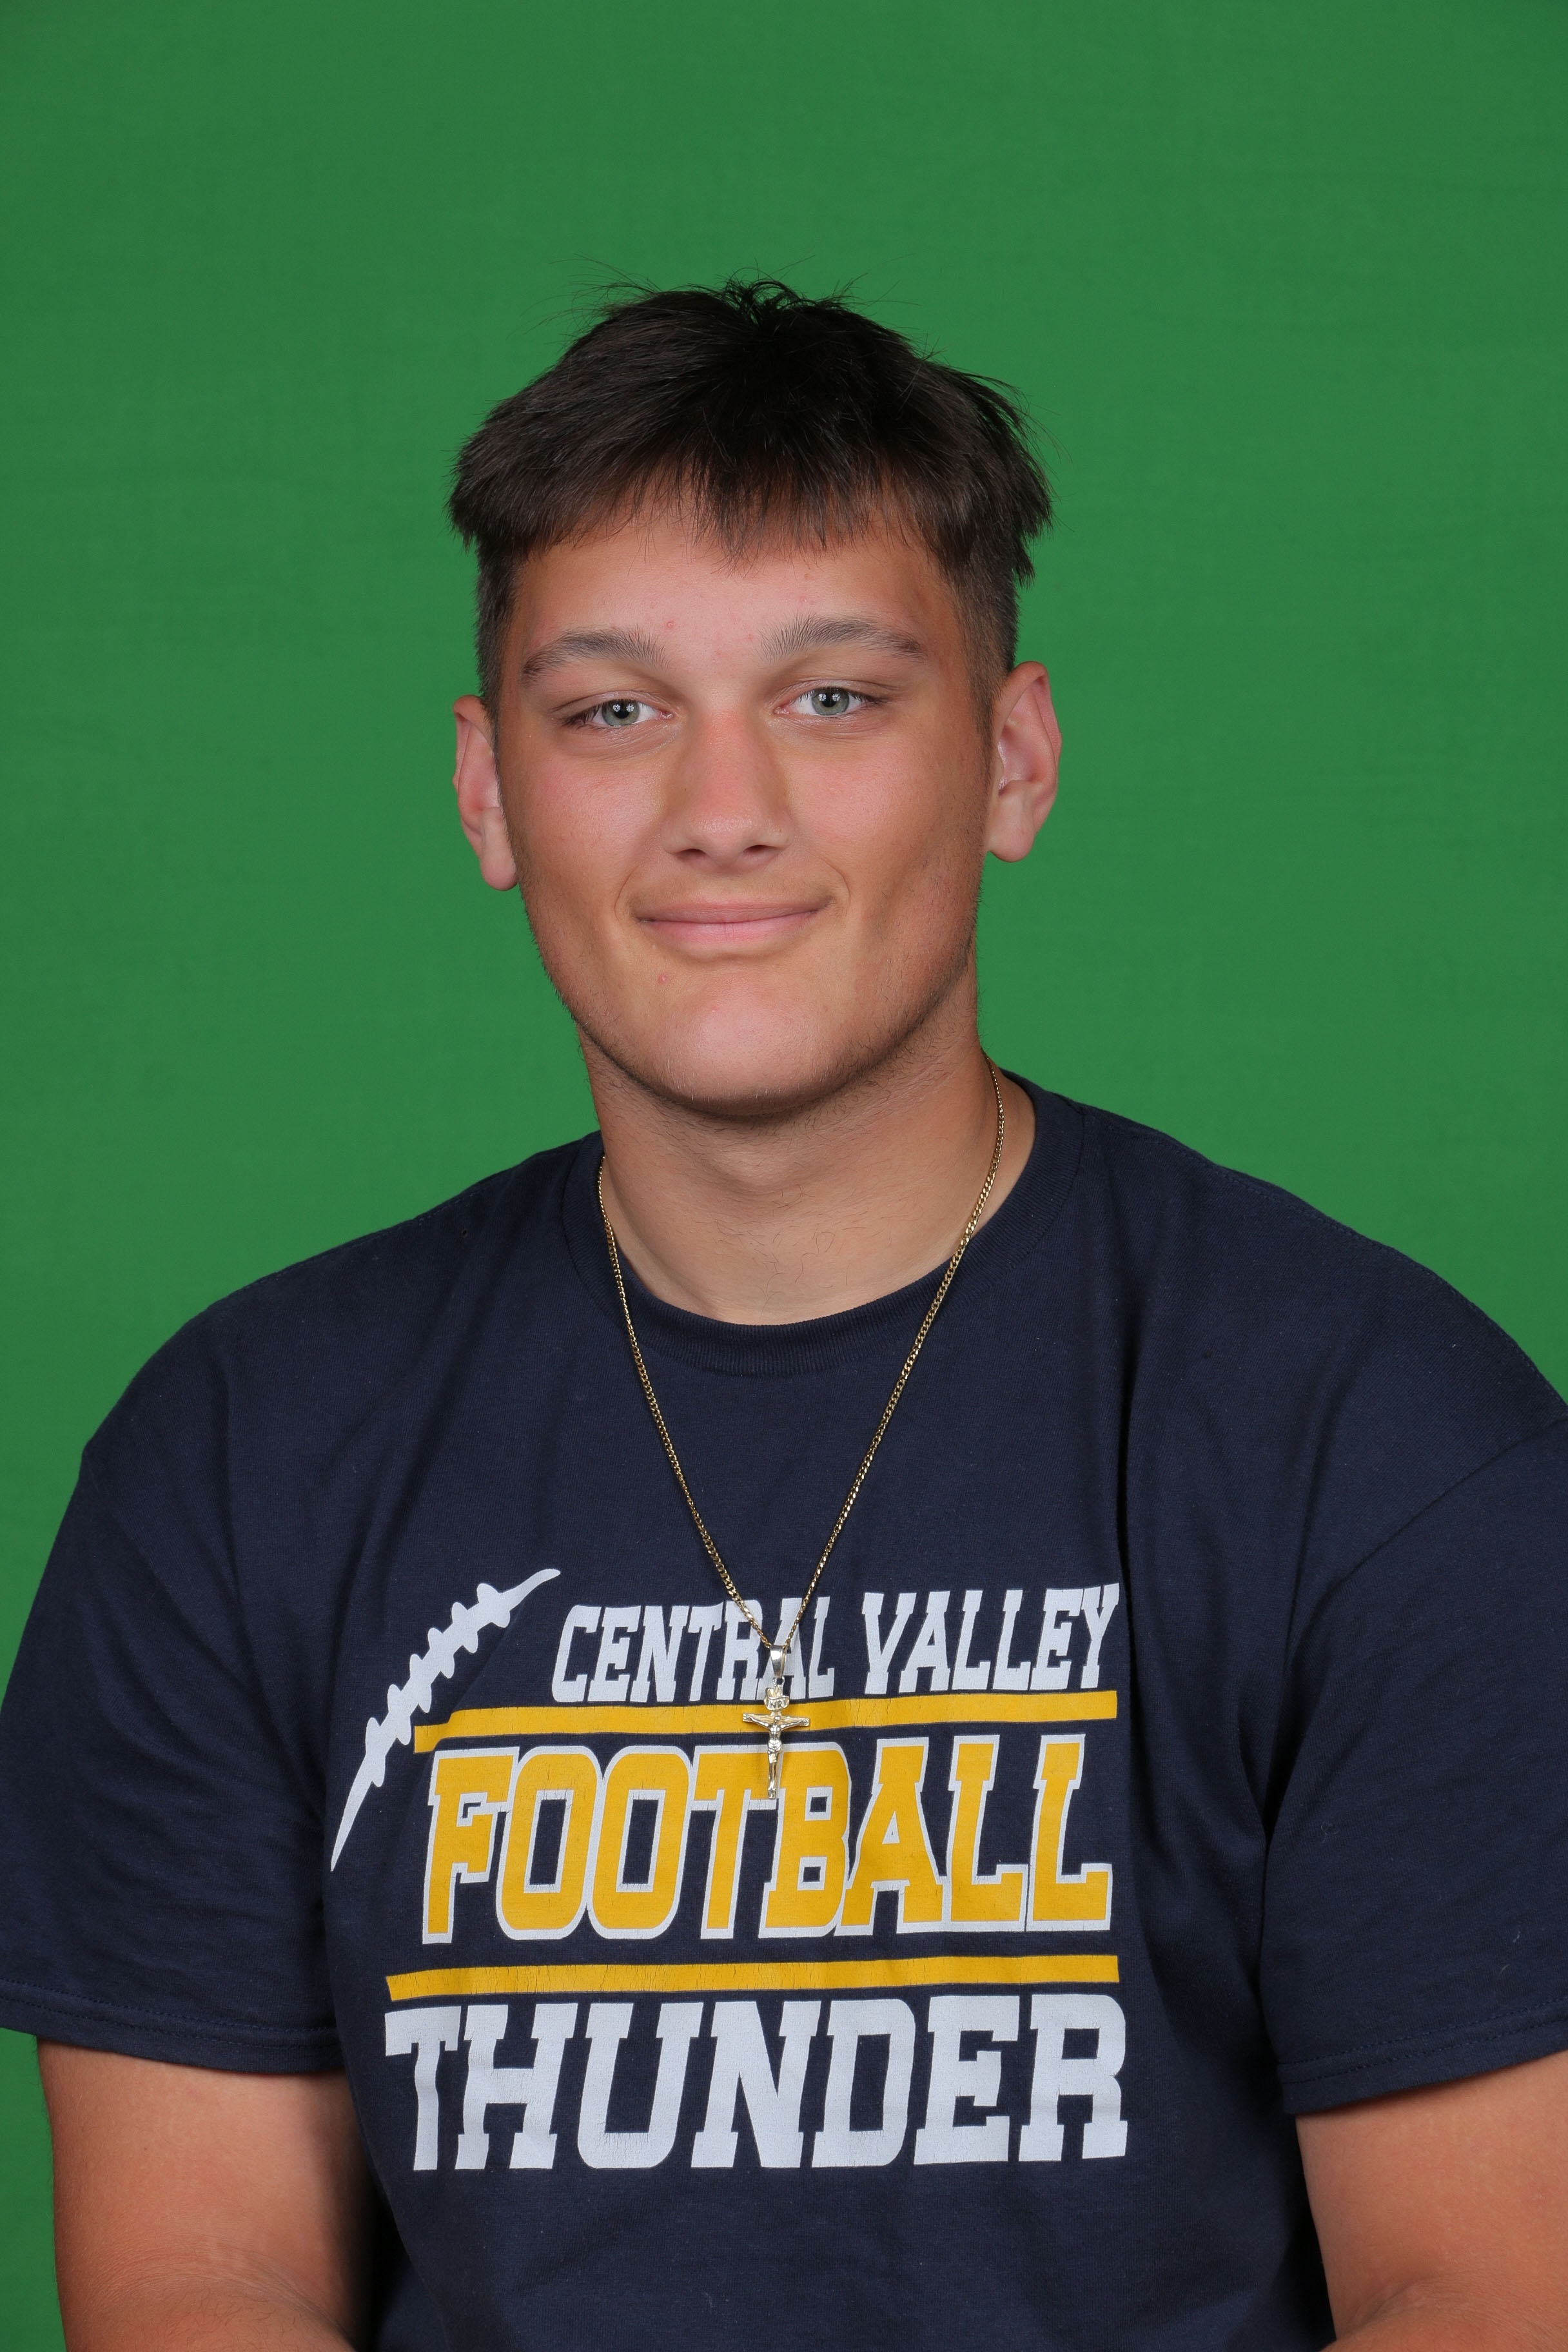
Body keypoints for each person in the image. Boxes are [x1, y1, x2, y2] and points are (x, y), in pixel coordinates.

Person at [1, 279, 1564, 2352]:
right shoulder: (237, 1462)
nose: (720, 807)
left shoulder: (1381, 1445)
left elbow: (1485, 2291)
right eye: (611, 711)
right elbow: (200, 2280)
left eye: (833, 697)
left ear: (1011, 758)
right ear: (488, 792)